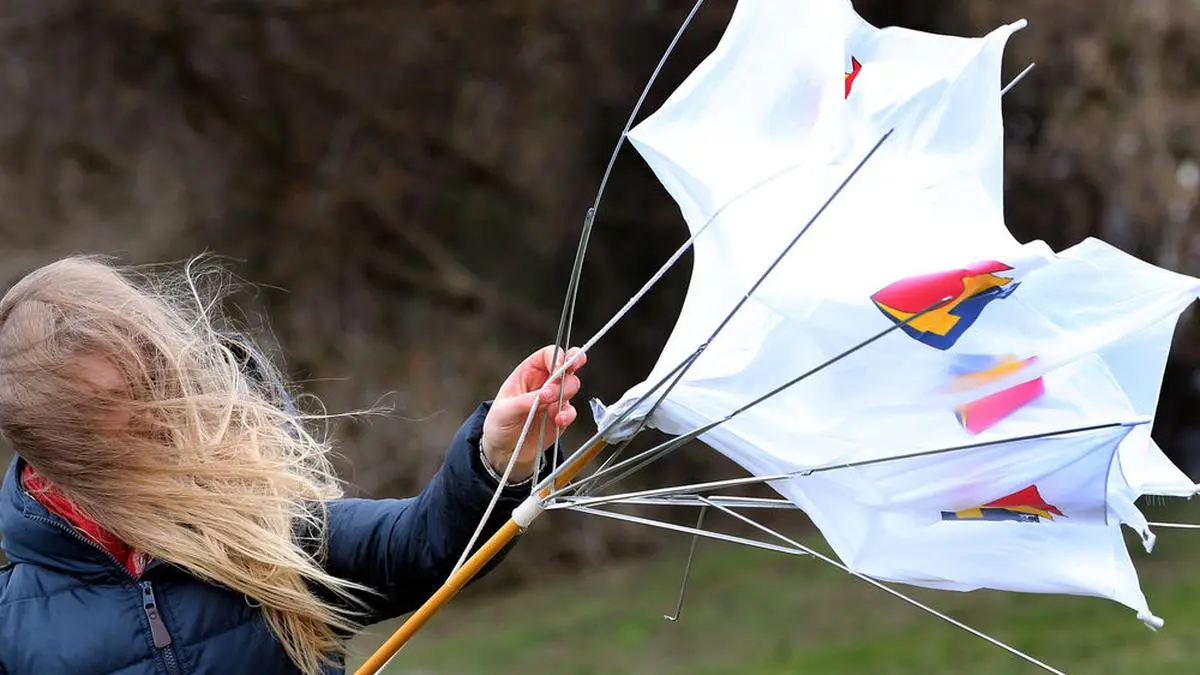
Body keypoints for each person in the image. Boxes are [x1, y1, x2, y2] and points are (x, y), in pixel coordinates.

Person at [0, 256, 586, 675]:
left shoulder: (266, 530)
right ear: (59, 449)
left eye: (155, 381)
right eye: (116, 409)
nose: (160, 417)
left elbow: (423, 545)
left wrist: (497, 457)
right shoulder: (14, 625)